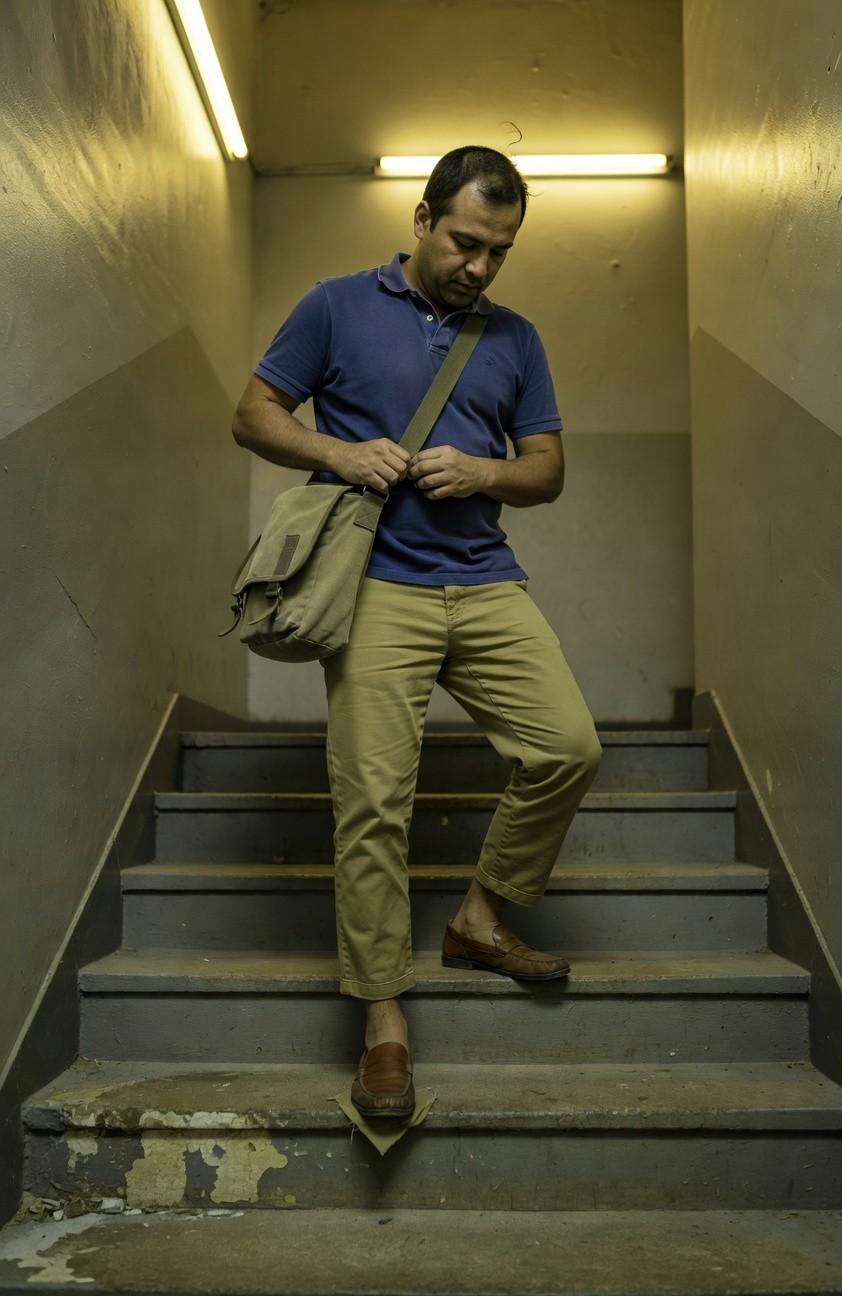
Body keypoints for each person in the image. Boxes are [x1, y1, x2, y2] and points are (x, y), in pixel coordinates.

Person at [233, 146, 602, 1120]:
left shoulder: (516, 338)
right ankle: (384, 1018)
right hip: (376, 590)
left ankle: (480, 918)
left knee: (568, 747)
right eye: (466, 242)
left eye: (500, 251)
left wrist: (485, 473)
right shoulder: (334, 306)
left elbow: (546, 469)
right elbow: (253, 413)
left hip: (484, 582)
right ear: (423, 218)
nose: (481, 266)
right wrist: (339, 452)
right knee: (374, 806)